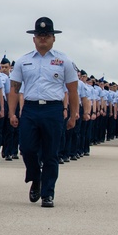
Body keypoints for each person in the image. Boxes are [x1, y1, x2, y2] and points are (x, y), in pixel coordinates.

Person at [8, 17, 79, 208]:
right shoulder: (23, 61)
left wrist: (73, 115)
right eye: (39, 35)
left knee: (51, 153)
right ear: (33, 38)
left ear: (53, 38)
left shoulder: (64, 60)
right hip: (30, 109)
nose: (43, 38)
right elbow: (14, 89)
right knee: (27, 148)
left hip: (53, 109)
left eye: (47, 35)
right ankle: (35, 178)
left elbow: (73, 91)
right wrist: (12, 113)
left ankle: (48, 193)